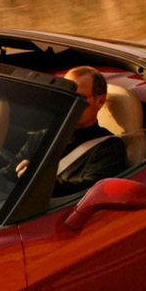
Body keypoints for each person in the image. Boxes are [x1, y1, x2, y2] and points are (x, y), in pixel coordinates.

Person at [16, 66, 128, 196]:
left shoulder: (109, 148)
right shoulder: (41, 137)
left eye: (77, 97)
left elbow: (91, 192)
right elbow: (8, 174)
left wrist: (41, 181)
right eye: (65, 94)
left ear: (100, 101)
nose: (69, 102)